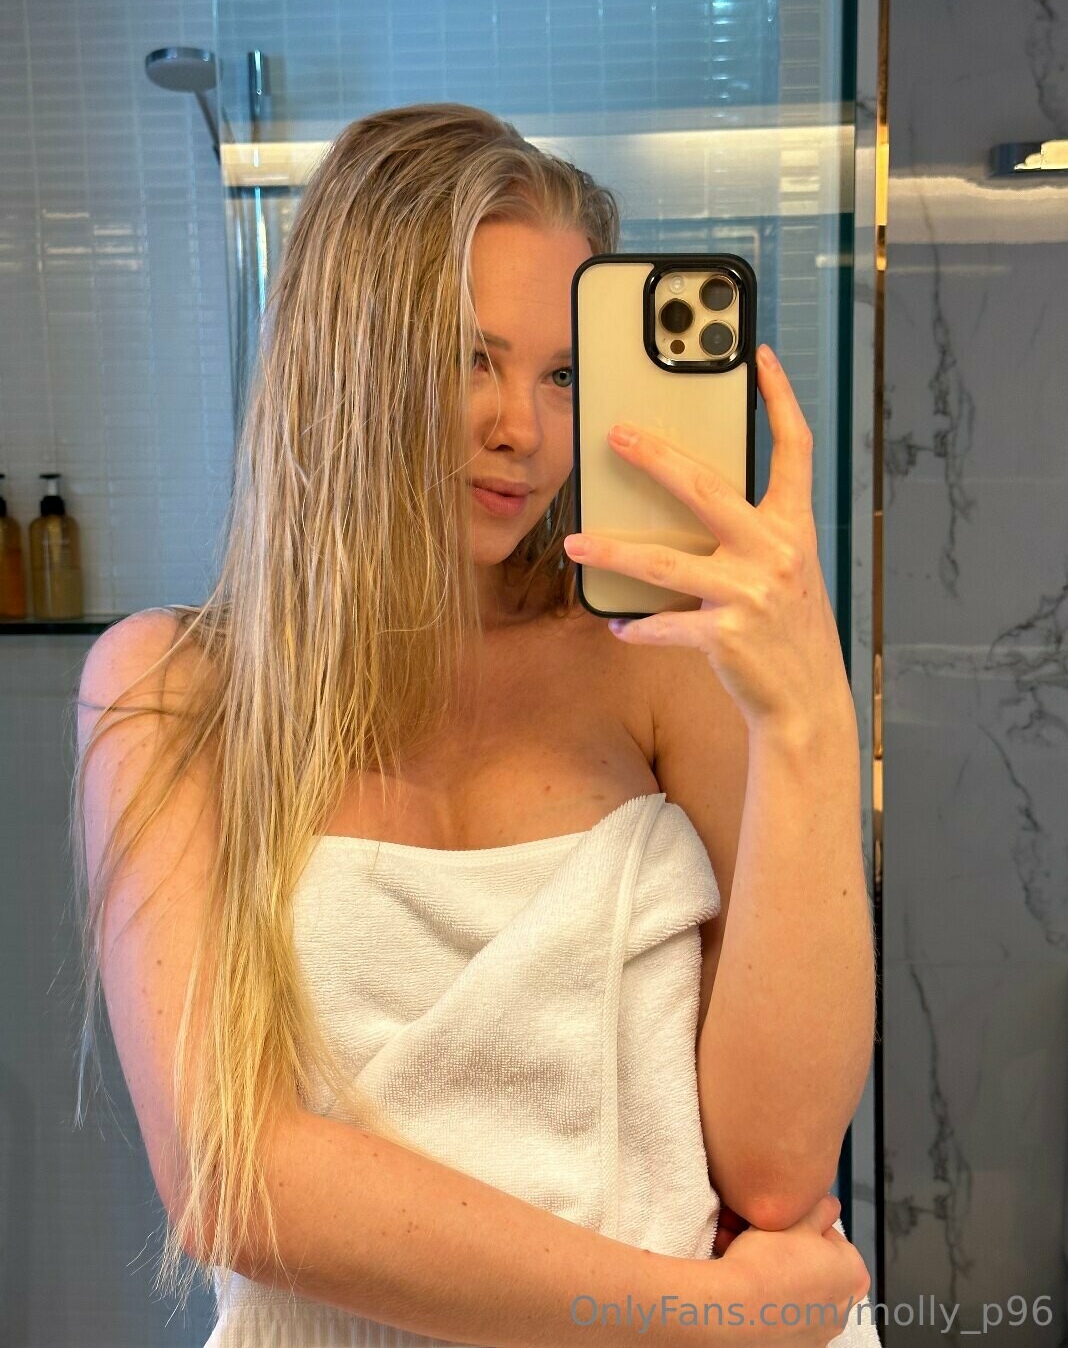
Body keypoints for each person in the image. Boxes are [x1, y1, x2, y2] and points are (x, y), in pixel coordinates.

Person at [71, 103, 880, 1347]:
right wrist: (701, 1318)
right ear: (346, 357)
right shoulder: (175, 691)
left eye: (564, 374)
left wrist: (808, 709)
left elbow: (776, 1169)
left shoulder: (654, 662)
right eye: (471, 358)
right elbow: (233, 1178)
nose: (524, 428)